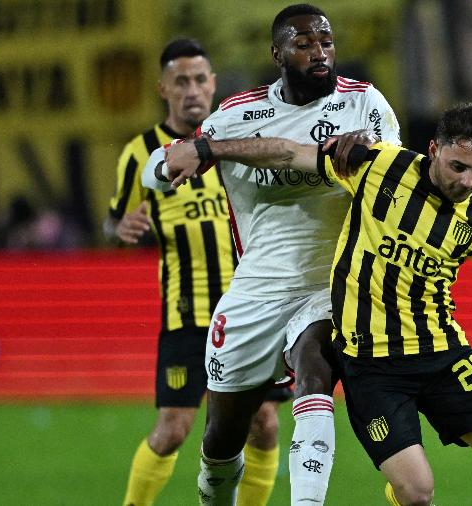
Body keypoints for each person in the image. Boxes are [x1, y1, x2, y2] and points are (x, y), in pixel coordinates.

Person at [156, 102, 472, 505]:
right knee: (416, 493)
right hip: (372, 367)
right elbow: (285, 152)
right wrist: (206, 148)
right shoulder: (377, 167)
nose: (468, 181)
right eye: (457, 166)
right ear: (433, 150)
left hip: (443, 355)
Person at [141, 5, 401, 505]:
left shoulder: (364, 104)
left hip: (333, 282)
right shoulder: (239, 114)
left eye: (326, 41)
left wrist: (368, 149)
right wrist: (176, 157)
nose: (319, 52)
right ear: (277, 52)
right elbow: (156, 169)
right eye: (303, 43)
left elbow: (391, 174)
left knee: (315, 370)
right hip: (257, 290)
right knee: (222, 436)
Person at [106, 38, 291, 506]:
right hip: (186, 315)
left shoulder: (237, 141)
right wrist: (119, 226)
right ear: (163, 89)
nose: (192, 89)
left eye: (199, 79)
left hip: (252, 312)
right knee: (173, 430)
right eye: (180, 81)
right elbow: (113, 219)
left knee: (265, 424)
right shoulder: (142, 153)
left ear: (212, 84)